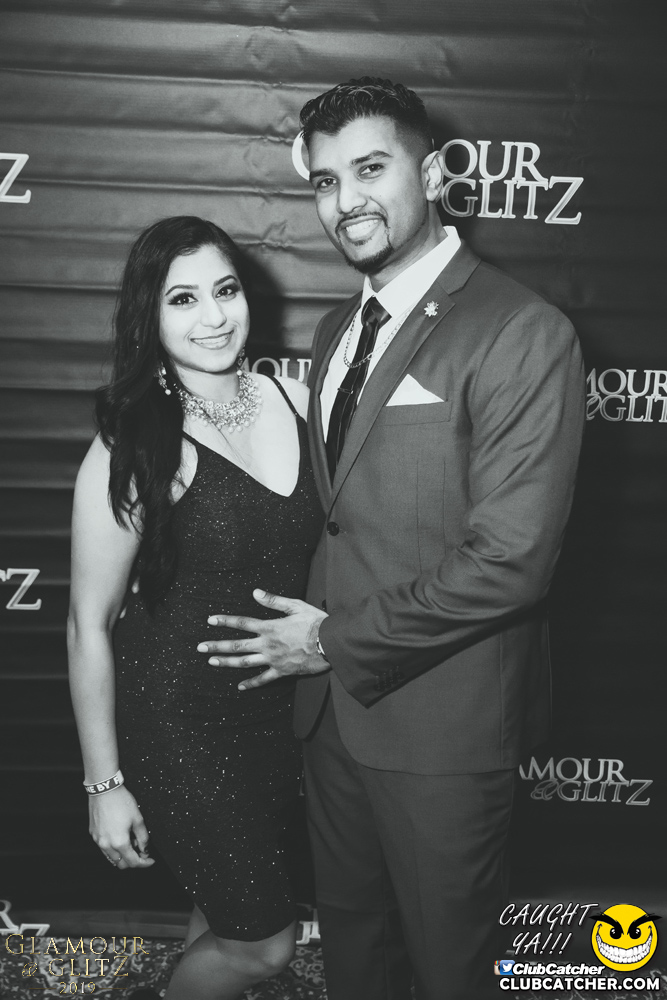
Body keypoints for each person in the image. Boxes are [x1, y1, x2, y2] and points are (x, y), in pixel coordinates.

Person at [199, 79, 586, 1000]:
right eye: (325, 181)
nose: (346, 201)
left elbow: (511, 563)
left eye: (370, 169)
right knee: (356, 962)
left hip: (443, 732)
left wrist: (329, 640)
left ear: (437, 172)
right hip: (330, 722)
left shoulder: (521, 330)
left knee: (454, 972)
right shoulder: (338, 327)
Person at [67, 216, 323, 1000]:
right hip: (178, 725)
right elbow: (87, 625)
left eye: (225, 290)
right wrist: (104, 785)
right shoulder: (134, 442)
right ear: (149, 314)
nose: (213, 317)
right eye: (183, 299)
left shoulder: (297, 399)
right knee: (264, 947)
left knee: (220, 915)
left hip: (277, 721)